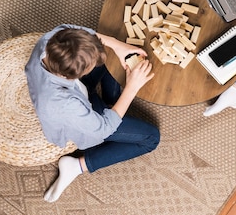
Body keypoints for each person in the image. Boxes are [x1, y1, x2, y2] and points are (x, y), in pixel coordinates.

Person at [25, 24, 160, 202]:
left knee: (110, 52)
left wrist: (119, 46)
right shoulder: (62, 103)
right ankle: (78, 165)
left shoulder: (52, 39)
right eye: (88, 68)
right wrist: (132, 87)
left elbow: (76, 30)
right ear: (71, 75)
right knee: (151, 138)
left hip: (78, 91)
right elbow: (102, 129)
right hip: (83, 116)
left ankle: (112, 104)